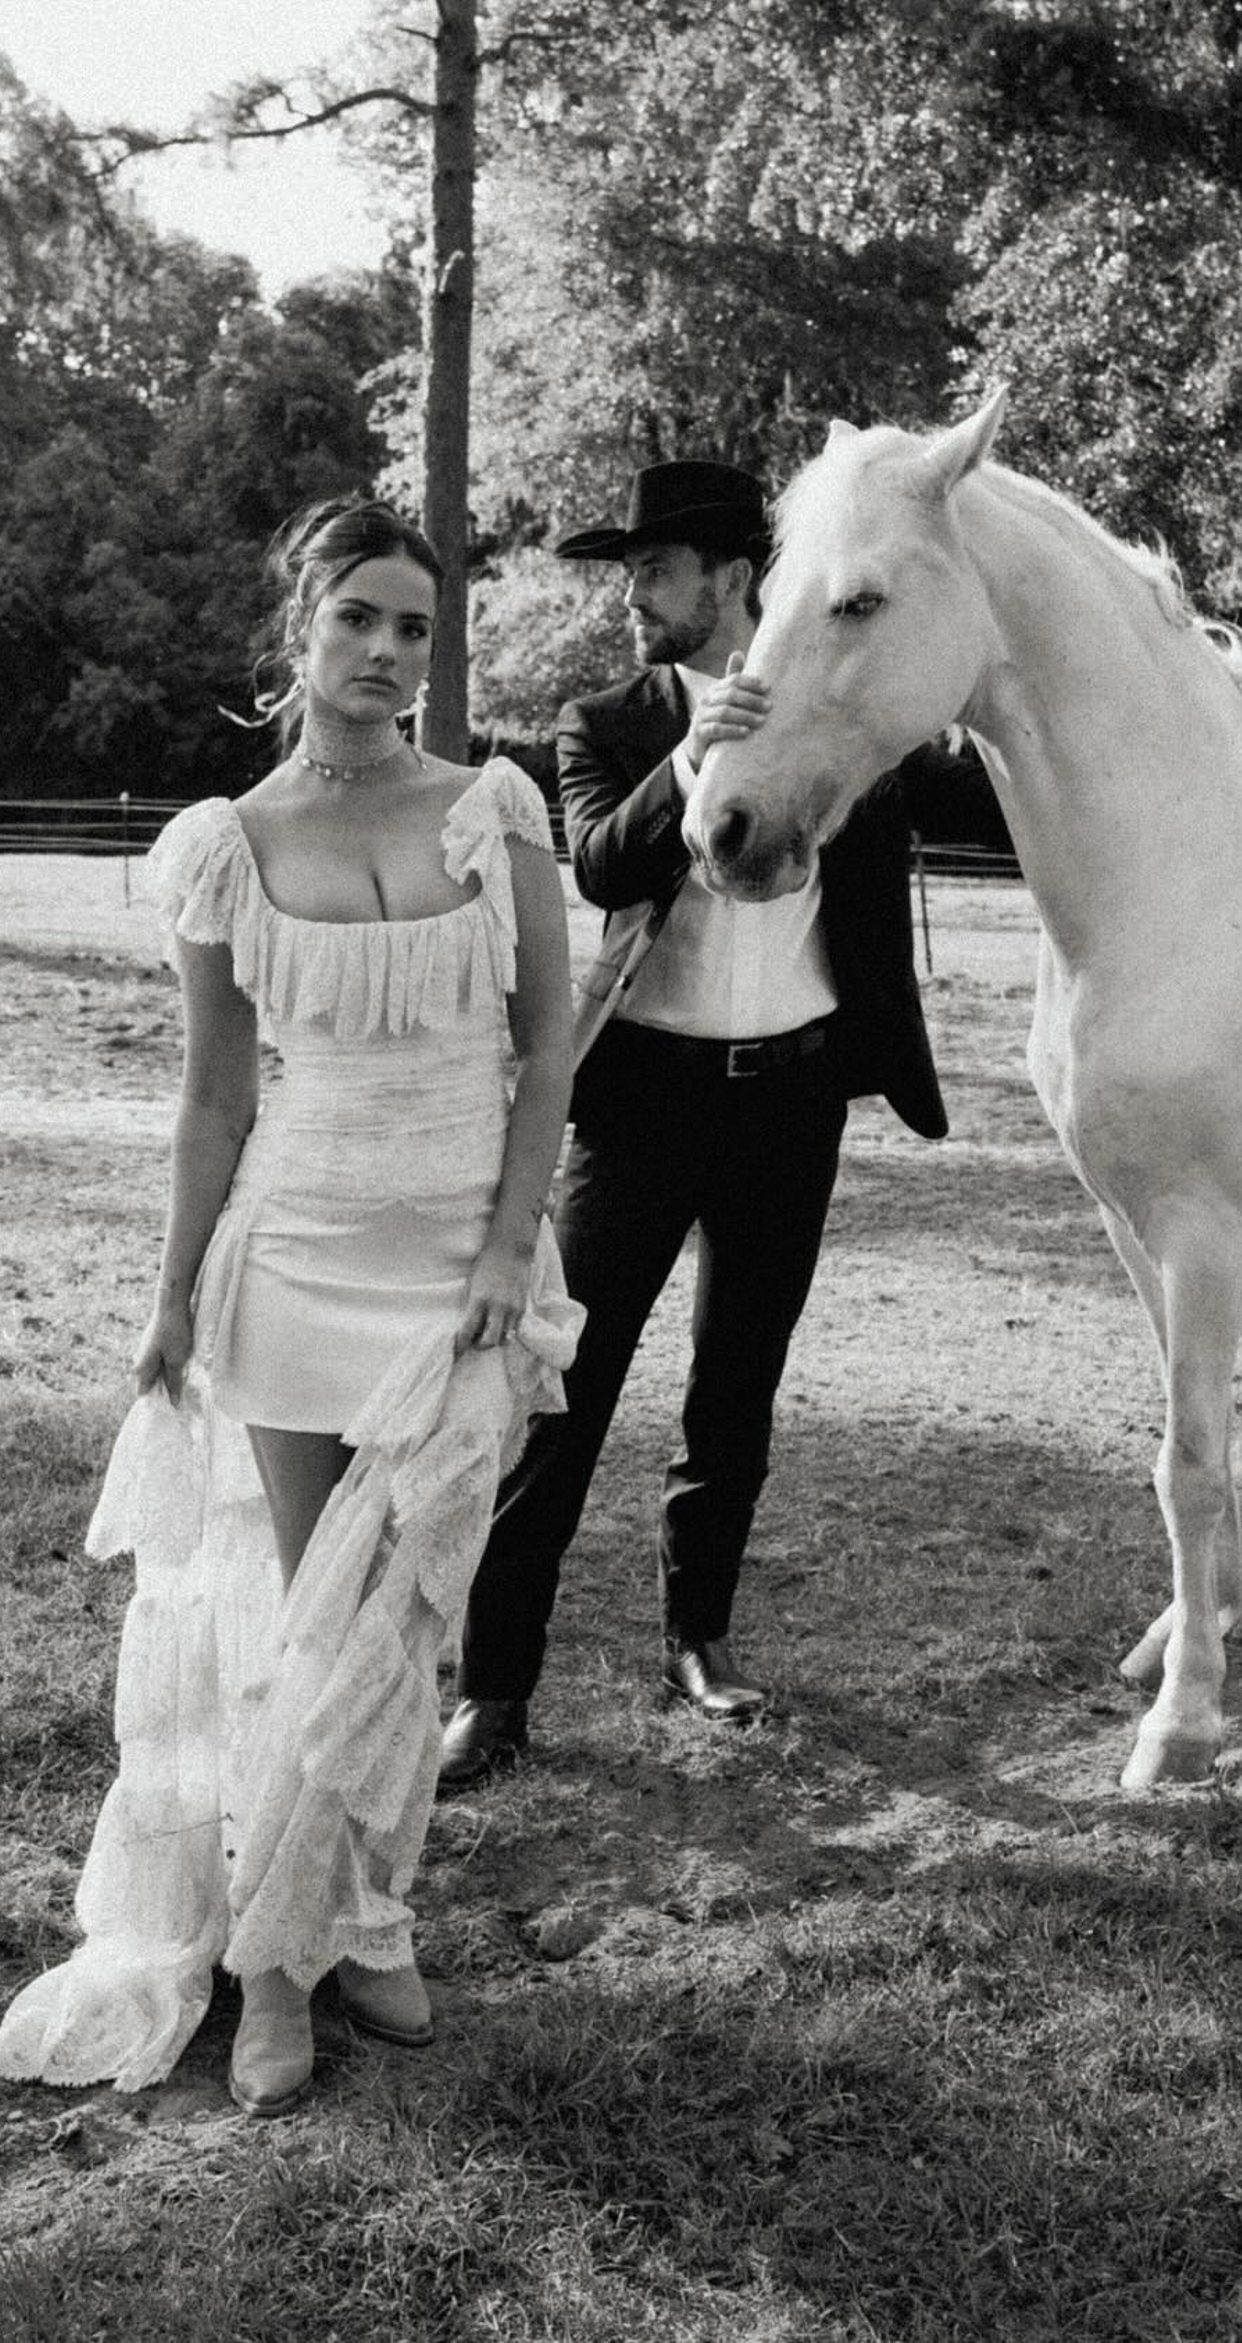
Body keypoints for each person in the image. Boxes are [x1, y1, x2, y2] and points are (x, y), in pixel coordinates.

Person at [0, 497, 579, 2117]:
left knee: (408, 1622)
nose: (389, 655)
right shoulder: (224, 848)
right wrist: (171, 1296)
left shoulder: (495, 809)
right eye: (359, 622)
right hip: (290, 1268)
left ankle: (350, 1919)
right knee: (318, 1634)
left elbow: (548, 1051)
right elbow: (209, 1103)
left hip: (463, 1270)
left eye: (414, 627)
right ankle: (280, 1966)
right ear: (299, 631)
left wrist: (509, 1250)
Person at [439, 458, 977, 1789]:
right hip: (639, 1102)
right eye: (631, 578)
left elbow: (970, 785)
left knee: (735, 1388)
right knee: (560, 1394)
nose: (635, 597)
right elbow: (600, 862)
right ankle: (494, 1686)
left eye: (657, 573)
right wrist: (691, 754)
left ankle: (700, 1638)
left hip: (792, 1096)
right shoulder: (608, 718)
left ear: (734, 579)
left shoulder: (848, 713)